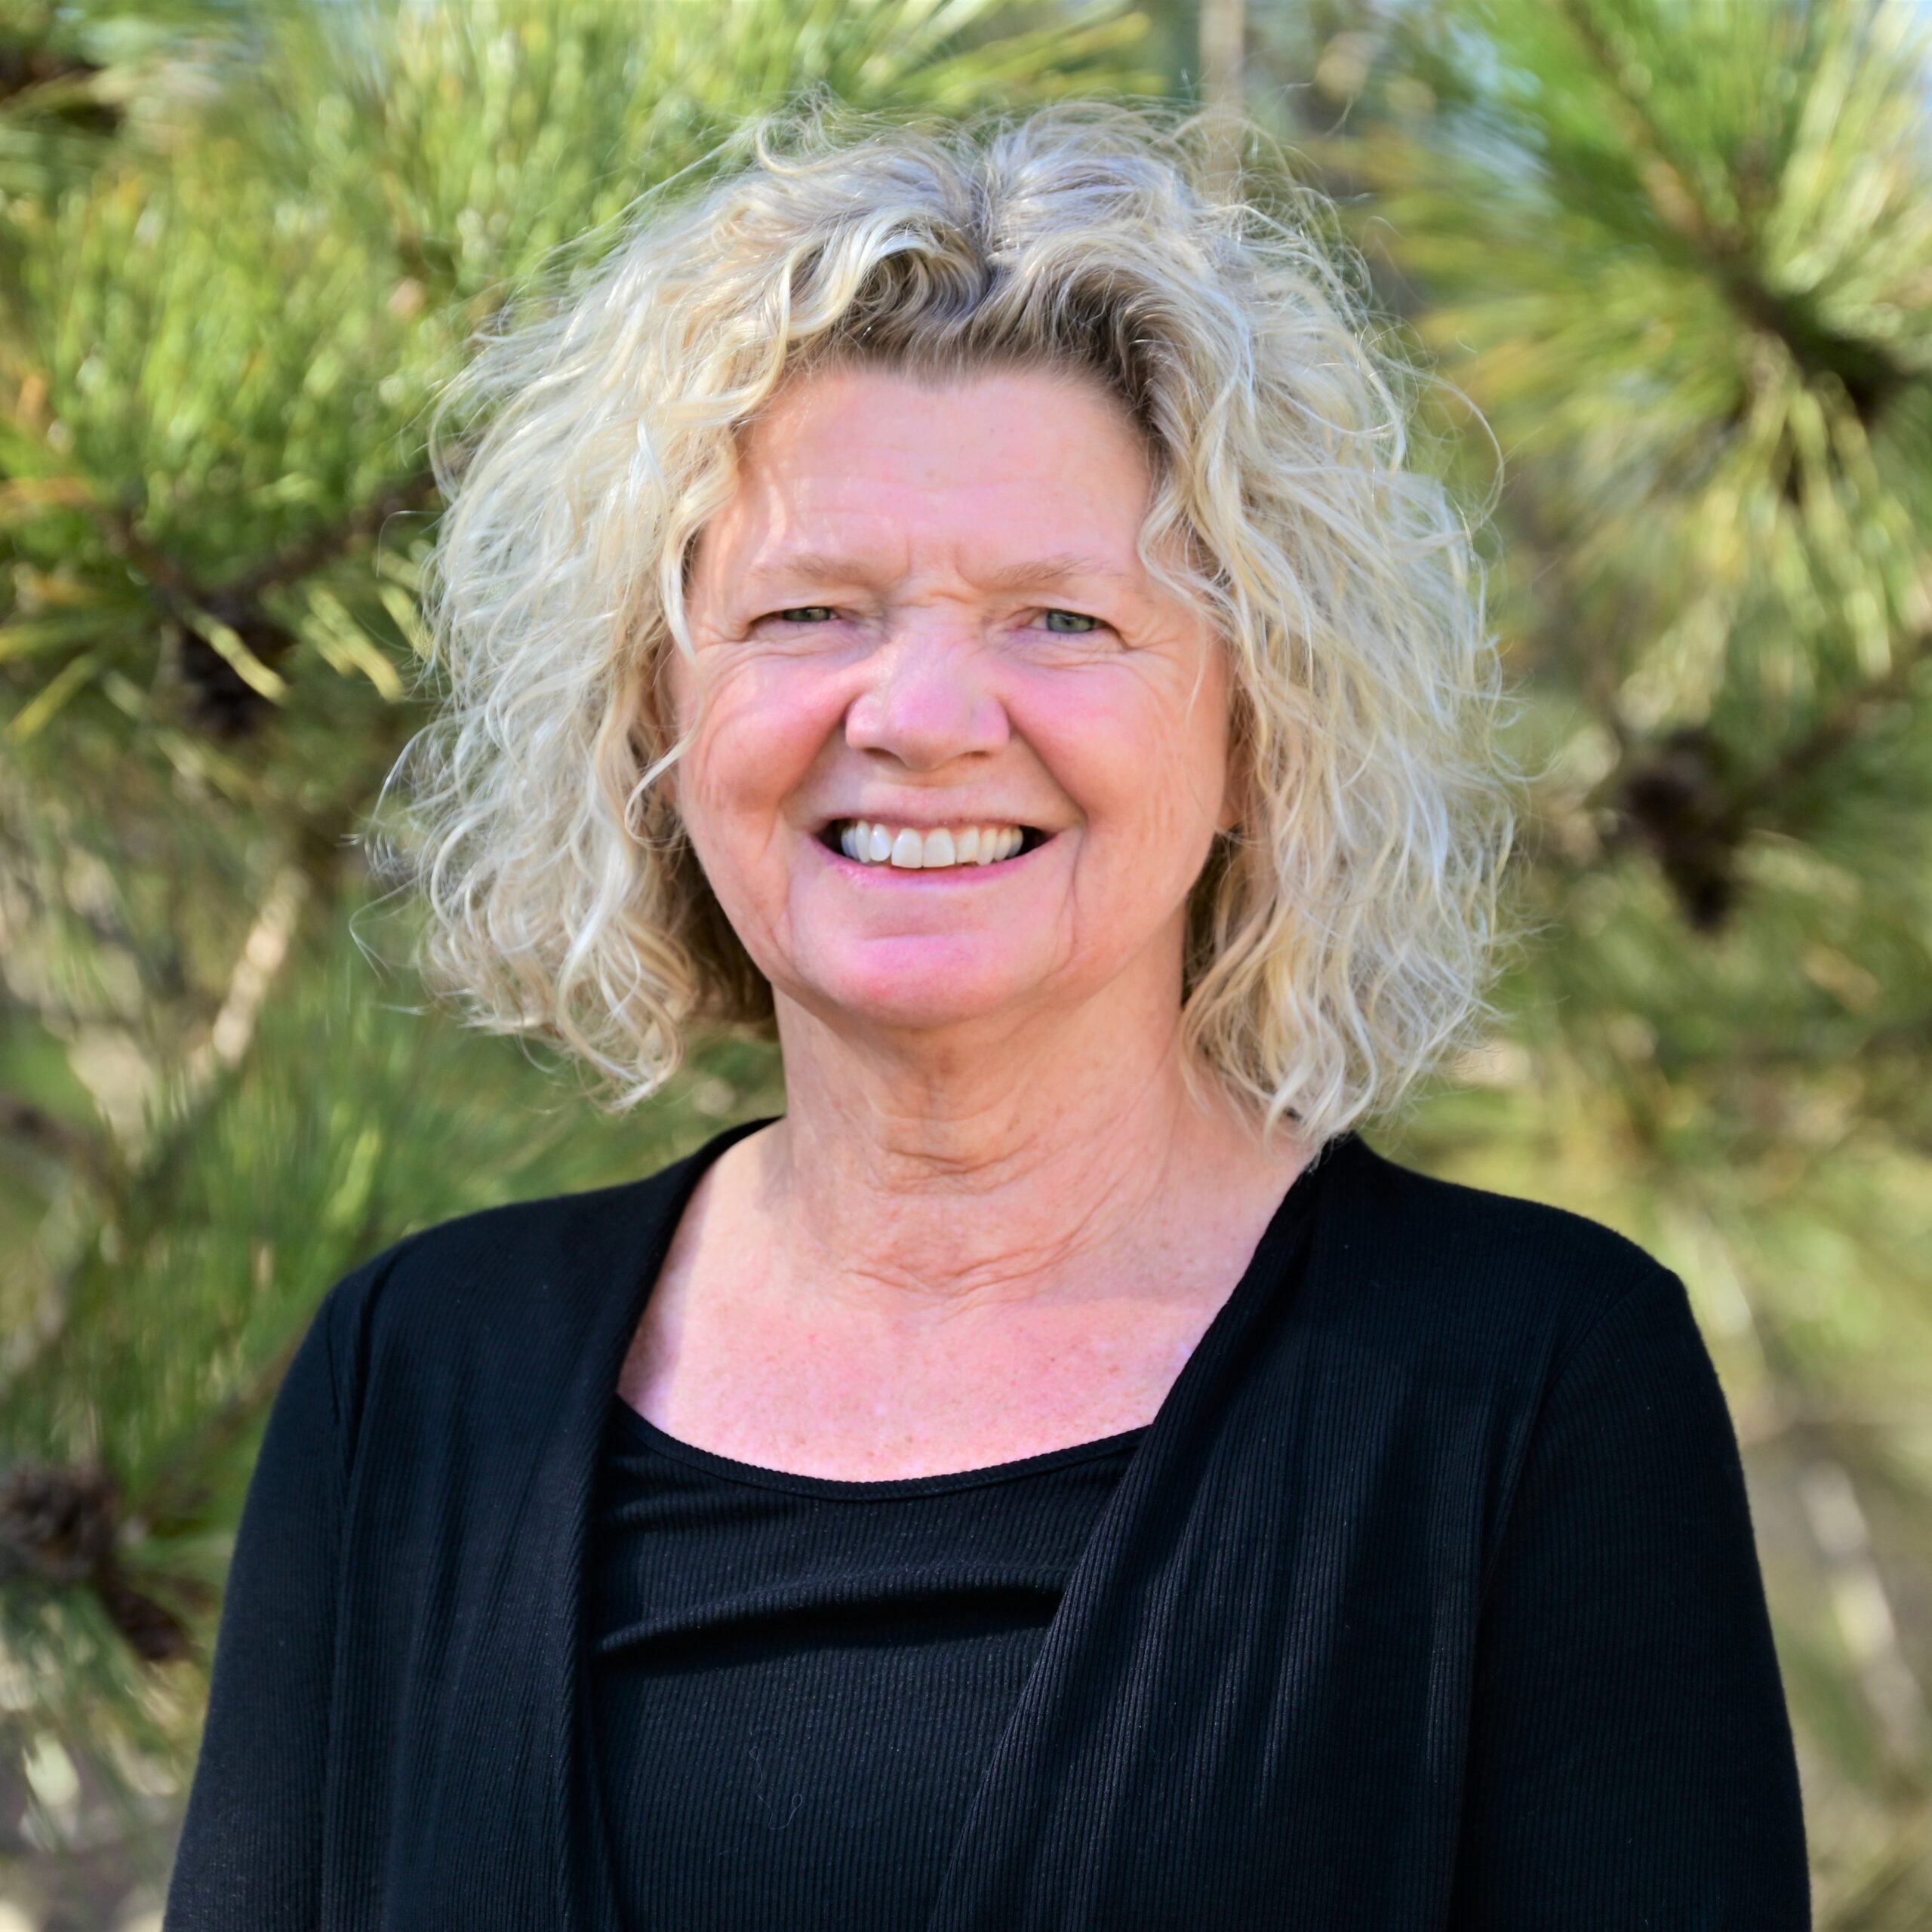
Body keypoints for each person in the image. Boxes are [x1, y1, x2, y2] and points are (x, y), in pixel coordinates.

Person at [164, 105, 1809, 1931]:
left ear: (1256, 725)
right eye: (807, 609)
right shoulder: (414, 1381)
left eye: (1057, 619)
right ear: (654, 710)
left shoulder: (1529, 1386)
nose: (924, 710)